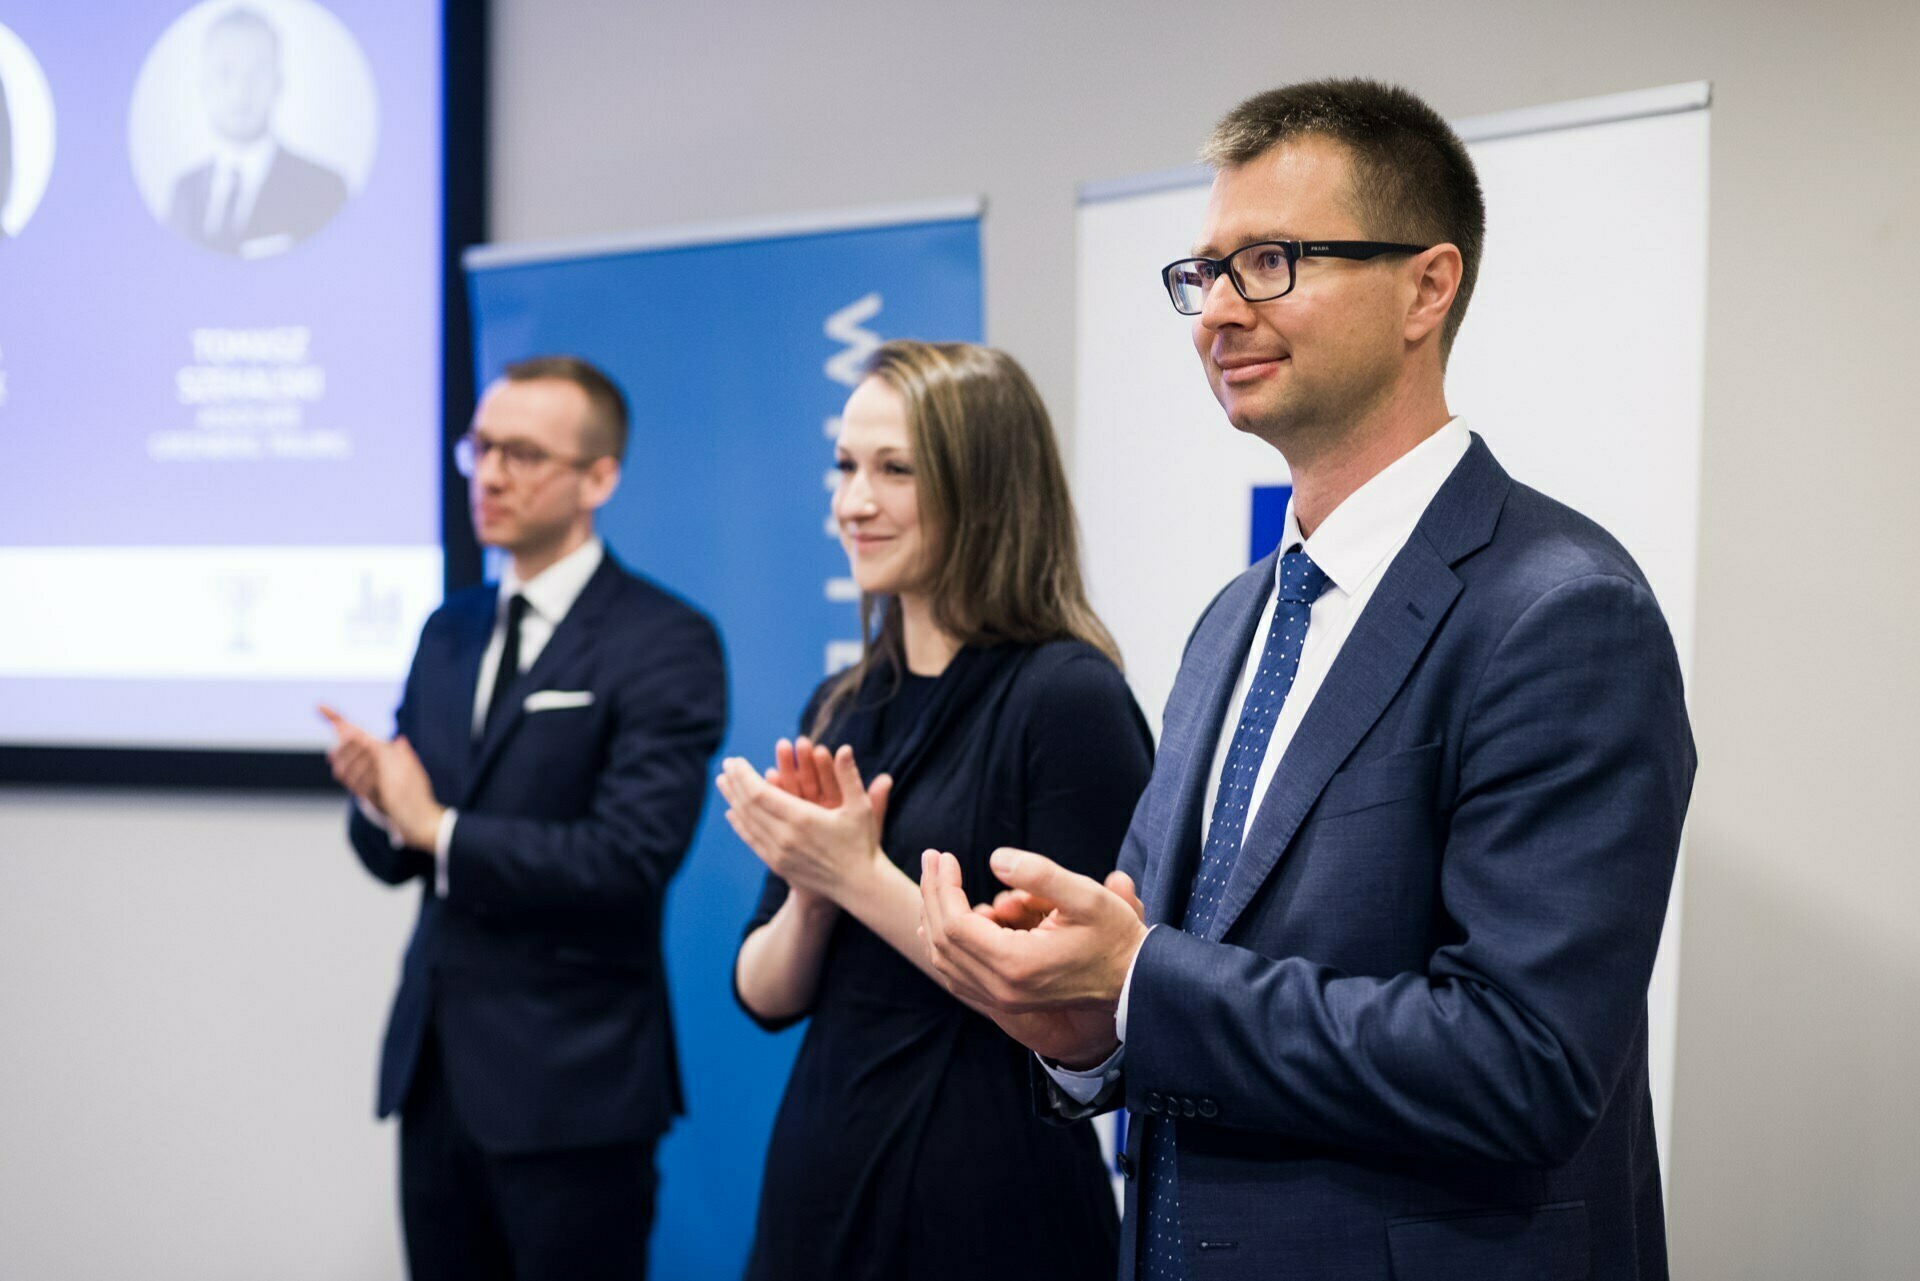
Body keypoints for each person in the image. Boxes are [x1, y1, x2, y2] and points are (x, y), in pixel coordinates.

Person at [918, 79, 1696, 1280]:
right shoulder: (1233, 620)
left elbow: (1528, 1065)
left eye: (1270, 261)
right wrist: (1079, 1024)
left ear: (1426, 289)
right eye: (1203, 273)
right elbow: (1164, 983)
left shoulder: (1561, 610)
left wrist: (1139, 981)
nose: (1217, 313)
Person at [718, 340, 1152, 1281]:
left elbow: (1081, 1002)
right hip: (822, 1179)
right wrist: (810, 889)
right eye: (844, 467)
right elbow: (762, 990)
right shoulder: (846, 703)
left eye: (894, 470)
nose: (853, 502)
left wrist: (856, 874)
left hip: (991, 1196)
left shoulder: (1067, 698)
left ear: (984, 485)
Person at [322, 355, 726, 1281]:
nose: (492, 473)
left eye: (524, 453)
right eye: (482, 447)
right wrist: (379, 805)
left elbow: (631, 857)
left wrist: (435, 828)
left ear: (599, 477)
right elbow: (397, 855)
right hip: (436, 1074)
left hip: (573, 1086)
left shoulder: (664, 639)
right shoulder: (450, 628)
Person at [165, 5, 348, 257]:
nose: (241, 91)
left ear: (278, 82)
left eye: (257, 72)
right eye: (225, 73)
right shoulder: (183, 192)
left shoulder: (324, 190)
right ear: (204, 85)